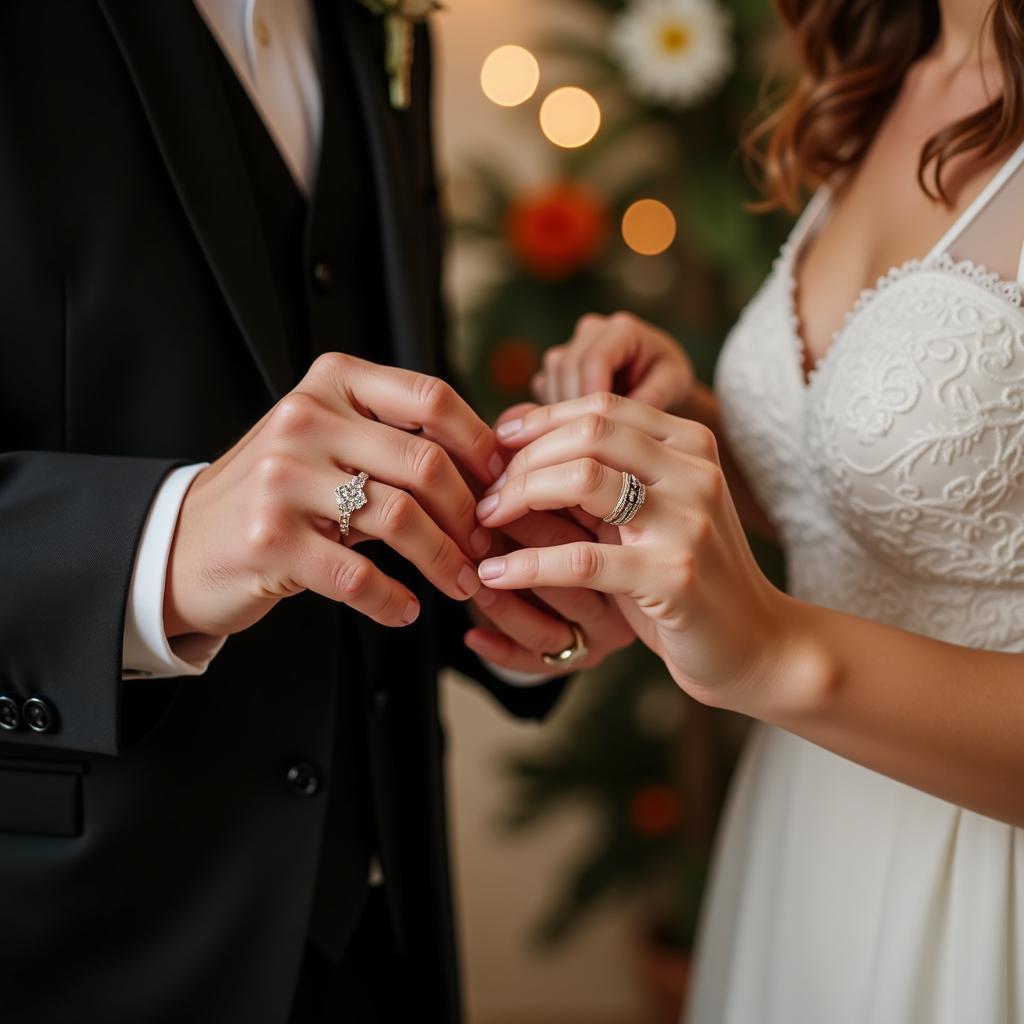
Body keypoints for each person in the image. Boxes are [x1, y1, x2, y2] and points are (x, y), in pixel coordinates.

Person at [0, 2, 633, 1022]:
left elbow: (372, 393)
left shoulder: (386, 24)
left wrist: (520, 579)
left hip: (384, 928)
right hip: (72, 936)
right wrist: (159, 543)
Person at [478, 0, 1024, 1019]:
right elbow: (924, 501)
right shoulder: (893, 65)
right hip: (808, 822)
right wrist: (697, 428)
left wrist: (777, 652)